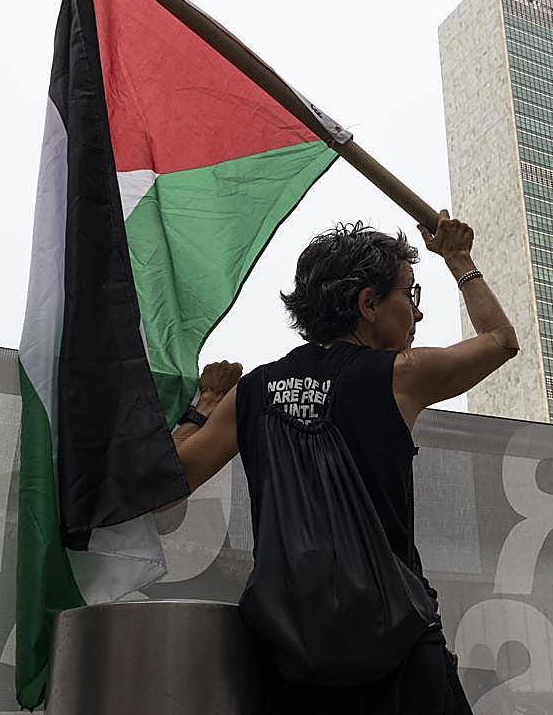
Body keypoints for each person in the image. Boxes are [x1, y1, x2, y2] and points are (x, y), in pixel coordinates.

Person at [170, 210, 518, 714]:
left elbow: (170, 482)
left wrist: (201, 405)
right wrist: (459, 259)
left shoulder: (252, 393)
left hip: (291, 655)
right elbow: (500, 341)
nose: (417, 315)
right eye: (410, 294)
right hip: (399, 643)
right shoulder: (401, 376)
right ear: (369, 303)